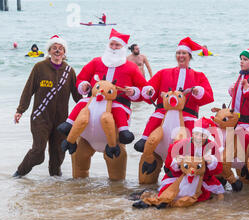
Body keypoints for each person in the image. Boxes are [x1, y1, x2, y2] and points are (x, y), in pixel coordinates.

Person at [13, 35, 81, 177]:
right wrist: (20, 110)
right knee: (38, 152)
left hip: (61, 120)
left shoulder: (69, 71)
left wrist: (90, 109)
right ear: (49, 51)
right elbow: (28, 89)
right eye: (54, 48)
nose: (57, 51)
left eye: (60, 48)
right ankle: (19, 174)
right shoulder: (39, 67)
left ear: (64, 52)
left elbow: (78, 97)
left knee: (58, 153)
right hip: (40, 117)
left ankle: (54, 184)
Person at [67, 29, 148, 146]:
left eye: (117, 45)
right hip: (92, 106)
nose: (114, 47)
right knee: (81, 149)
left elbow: (144, 89)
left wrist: (134, 92)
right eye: (112, 44)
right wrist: (84, 85)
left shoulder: (131, 67)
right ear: (108, 45)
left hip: (118, 108)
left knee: (117, 151)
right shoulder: (96, 62)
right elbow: (80, 79)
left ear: (123, 47)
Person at [138, 37, 214, 150]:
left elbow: (208, 97)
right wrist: (150, 91)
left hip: (187, 116)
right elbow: (149, 89)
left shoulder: (199, 76)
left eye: (184, 53)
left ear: (189, 56)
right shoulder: (163, 73)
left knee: (190, 148)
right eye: (178, 53)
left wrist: (198, 92)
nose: (180, 55)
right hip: (163, 113)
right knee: (154, 122)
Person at [133, 117, 224, 209]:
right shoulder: (181, 144)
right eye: (196, 134)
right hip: (180, 175)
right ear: (192, 133)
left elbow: (218, 169)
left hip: (202, 178)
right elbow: (169, 164)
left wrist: (211, 161)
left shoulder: (212, 146)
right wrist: (177, 162)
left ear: (207, 136)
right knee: (172, 191)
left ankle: (166, 203)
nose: (198, 138)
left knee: (213, 196)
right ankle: (151, 201)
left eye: (202, 135)